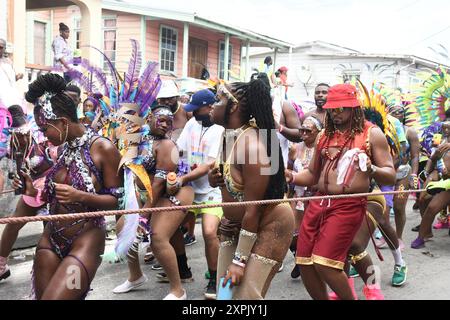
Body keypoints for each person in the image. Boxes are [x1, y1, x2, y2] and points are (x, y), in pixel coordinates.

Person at [286, 83, 396, 300]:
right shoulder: (324, 136)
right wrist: (291, 176)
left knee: (325, 261)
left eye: (340, 108)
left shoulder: (371, 134)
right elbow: (311, 174)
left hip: (349, 205)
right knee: (304, 261)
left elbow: (390, 174)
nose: (335, 113)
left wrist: (371, 168)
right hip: (319, 202)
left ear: (353, 107)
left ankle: (375, 284)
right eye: (331, 109)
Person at [20, 73, 123, 299]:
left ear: (63, 123)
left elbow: (120, 202)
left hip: (85, 241)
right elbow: (53, 196)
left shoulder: (103, 148)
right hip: (50, 239)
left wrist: (81, 196)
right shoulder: (64, 149)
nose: (44, 136)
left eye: (45, 129)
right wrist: (31, 192)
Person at [209, 79, 294, 299]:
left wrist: (239, 262)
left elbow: (253, 210)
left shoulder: (252, 148)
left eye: (218, 99)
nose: (212, 104)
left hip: (268, 224)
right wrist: (215, 180)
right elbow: (232, 183)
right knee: (225, 295)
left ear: (234, 106)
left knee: (245, 299)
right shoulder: (228, 135)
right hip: (236, 224)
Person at [174, 89, 225, 299]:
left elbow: (208, 164)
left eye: (196, 109)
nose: (192, 112)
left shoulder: (220, 129)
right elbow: (179, 149)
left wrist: (182, 179)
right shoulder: (192, 124)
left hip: (211, 189)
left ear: (209, 107)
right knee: (173, 226)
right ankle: (183, 270)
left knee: (210, 233)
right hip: (189, 189)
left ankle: (214, 279)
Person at [0, 105, 56, 282]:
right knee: (13, 224)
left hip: (51, 191)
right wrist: (17, 180)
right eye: (18, 134)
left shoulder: (44, 141)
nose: (23, 137)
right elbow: (16, 173)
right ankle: (1, 266)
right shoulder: (13, 147)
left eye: (25, 133)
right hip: (31, 193)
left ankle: (54, 265)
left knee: (50, 231)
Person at [287, 115, 322, 279]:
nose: (304, 133)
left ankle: (309, 262)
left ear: (318, 132)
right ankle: (299, 259)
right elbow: (289, 170)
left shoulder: (322, 148)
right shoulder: (295, 148)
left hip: (316, 196)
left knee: (313, 234)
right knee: (292, 234)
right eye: (302, 130)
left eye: (309, 130)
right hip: (298, 196)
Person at [411, 121, 450, 249]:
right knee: (429, 205)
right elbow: (432, 159)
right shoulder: (439, 141)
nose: (446, 131)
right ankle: (422, 236)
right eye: (444, 128)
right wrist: (426, 173)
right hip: (442, 180)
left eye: (448, 128)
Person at [388, 104, 420, 242]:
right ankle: (385, 234)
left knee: (399, 207)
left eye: (400, 111)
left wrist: (414, 174)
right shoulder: (381, 130)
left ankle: (399, 237)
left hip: (403, 173)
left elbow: (415, 156)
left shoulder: (409, 132)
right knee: (383, 207)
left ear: (404, 115)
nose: (396, 113)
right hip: (385, 173)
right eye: (393, 111)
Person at [0, 39, 23, 107]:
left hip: (9, 97)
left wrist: (18, 76)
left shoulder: (9, 62)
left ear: (4, 48)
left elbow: (11, 80)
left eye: (1, 47)